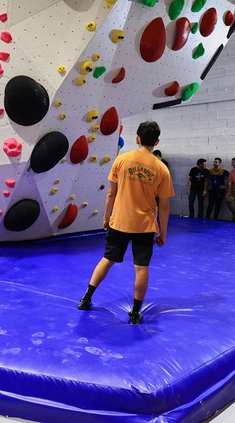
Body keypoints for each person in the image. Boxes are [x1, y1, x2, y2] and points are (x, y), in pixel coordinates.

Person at [78, 121, 175, 325]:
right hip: (145, 225)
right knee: (141, 268)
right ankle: (135, 313)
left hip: (119, 221)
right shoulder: (161, 168)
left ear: (137, 138)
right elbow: (164, 206)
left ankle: (86, 298)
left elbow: (111, 193)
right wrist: (163, 233)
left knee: (107, 259)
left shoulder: (122, 160)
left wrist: (106, 217)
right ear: (156, 142)